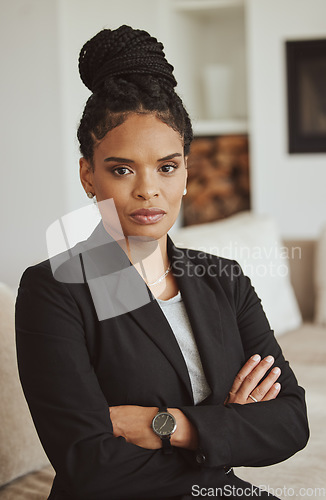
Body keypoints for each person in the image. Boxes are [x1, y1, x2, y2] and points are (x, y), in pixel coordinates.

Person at [15, 25, 309, 500]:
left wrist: (168, 426)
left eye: (167, 167)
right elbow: (88, 464)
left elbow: (291, 422)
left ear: (187, 173)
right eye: (122, 169)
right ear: (88, 174)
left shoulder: (223, 279)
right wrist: (226, 429)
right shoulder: (54, 289)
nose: (148, 189)